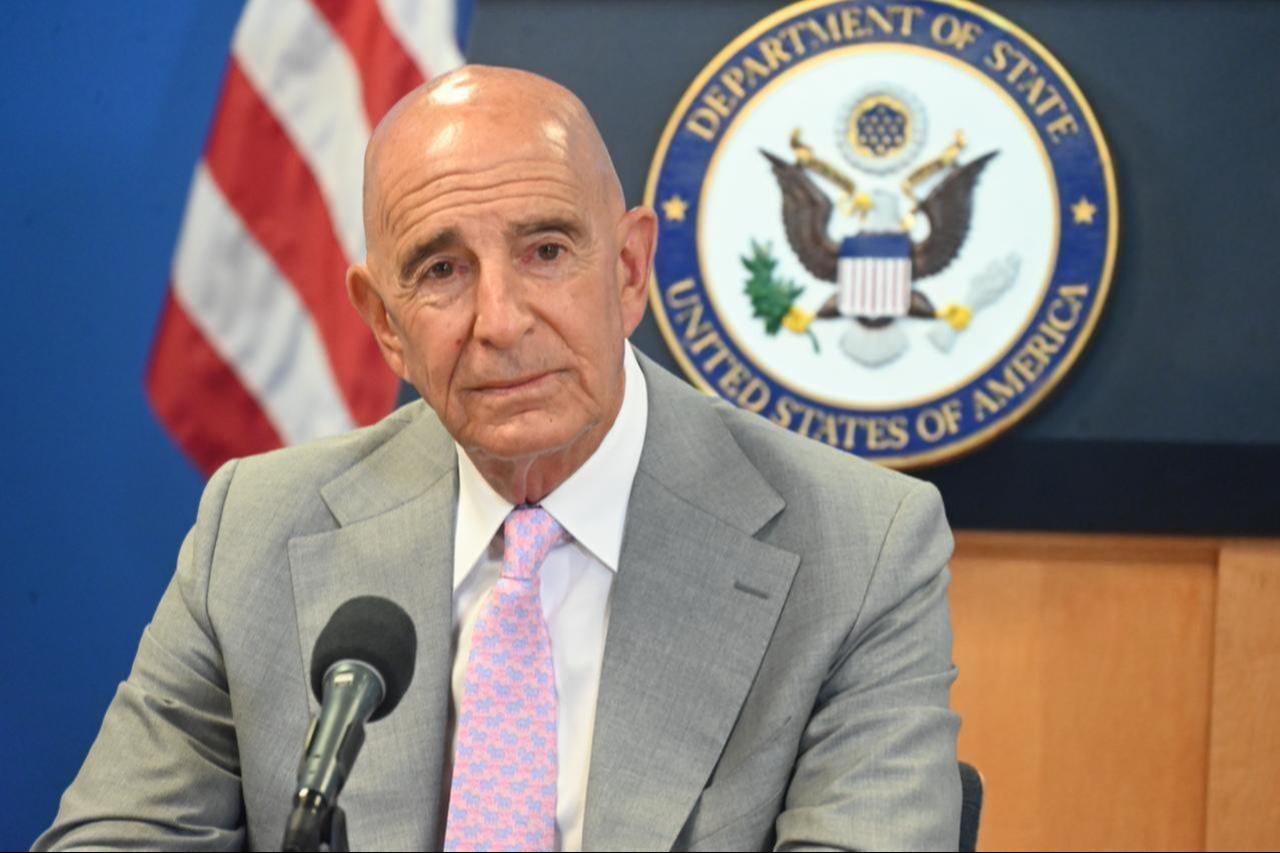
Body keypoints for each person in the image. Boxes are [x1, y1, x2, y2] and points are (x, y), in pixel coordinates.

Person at [35, 66, 960, 852]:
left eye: (546, 250)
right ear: (384, 324)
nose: (501, 322)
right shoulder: (256, 525)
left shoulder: (859, 550)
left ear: (629, 271)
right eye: (441, 271)